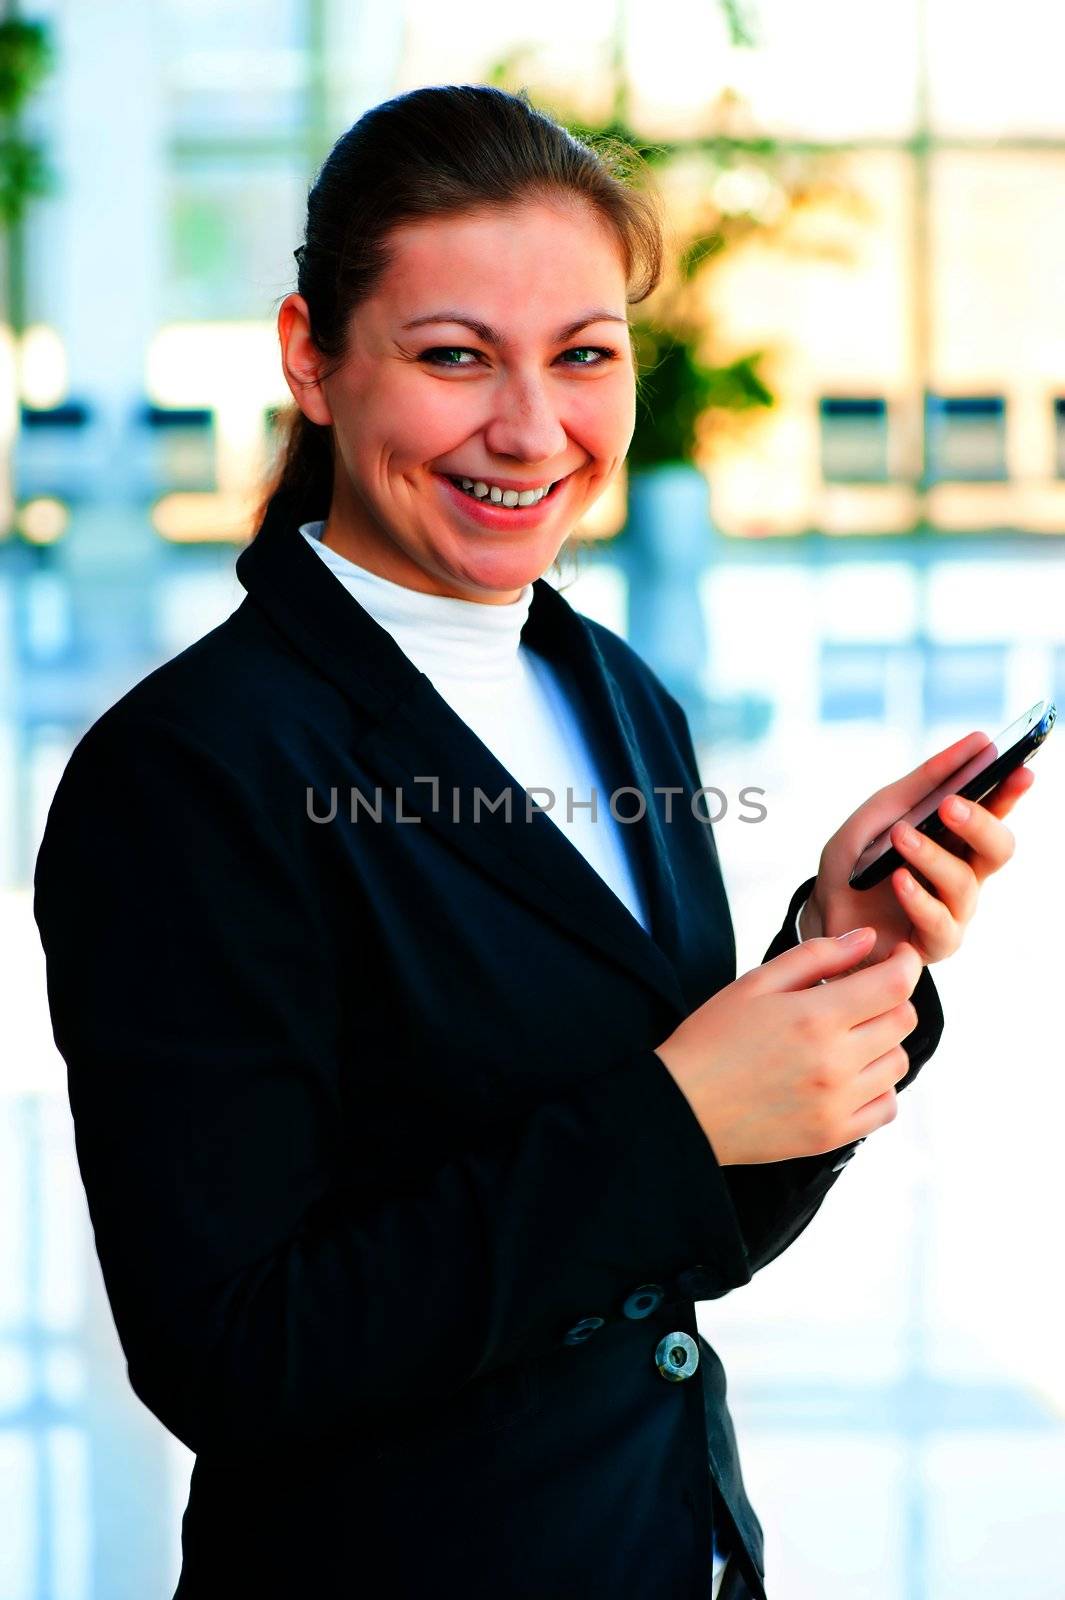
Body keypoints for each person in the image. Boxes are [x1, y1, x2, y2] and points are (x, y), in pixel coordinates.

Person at [32, 85, 1033, 1600]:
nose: (529, 429)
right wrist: (672, 1116)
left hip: (663, 1550)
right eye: (452, 358)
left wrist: (841, 950)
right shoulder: (188, 775)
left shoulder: (613, 693)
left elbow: (680, 1243)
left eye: (582, 357)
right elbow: (232, 1355)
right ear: (312, 358)